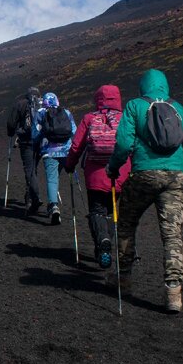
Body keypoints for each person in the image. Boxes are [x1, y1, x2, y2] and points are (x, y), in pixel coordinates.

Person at [105, 69, 183, 313]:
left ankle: (123, 279)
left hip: (144, 174)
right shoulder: (179, 109)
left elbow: (124, 144)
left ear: (143, 86)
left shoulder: (135, 106)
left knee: (126, 223)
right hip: (175, 176)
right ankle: (173, 292)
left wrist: (113, 168)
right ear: (164, 85)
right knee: (172, 234)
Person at [64, 84, 131, 267]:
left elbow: (76, 146)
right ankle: (106, 239)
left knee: (97, 210)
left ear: (98, 99)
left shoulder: (90, 118)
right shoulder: (125, 118)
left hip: (95, 175)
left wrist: (69, 165)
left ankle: (102, 241)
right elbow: (133, 145)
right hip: (119, 174)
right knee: (110, 210)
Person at [35, 92, 76, 225]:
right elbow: (73, 130)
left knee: (52, 179)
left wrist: (36, 147)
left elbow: (35, 133)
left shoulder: (41, 113)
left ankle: (54, 206)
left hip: (49, 152)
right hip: (66, 151)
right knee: (61, 177)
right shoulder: (66, 112)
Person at [5, 86, 43, 214]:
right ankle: (30, 197)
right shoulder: (43, 104)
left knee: (29, 170)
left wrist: (11, 133)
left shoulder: (20, 104)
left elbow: (11, 124)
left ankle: (34, 198)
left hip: (26, 142)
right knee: (33, 169)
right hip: (41, 142)